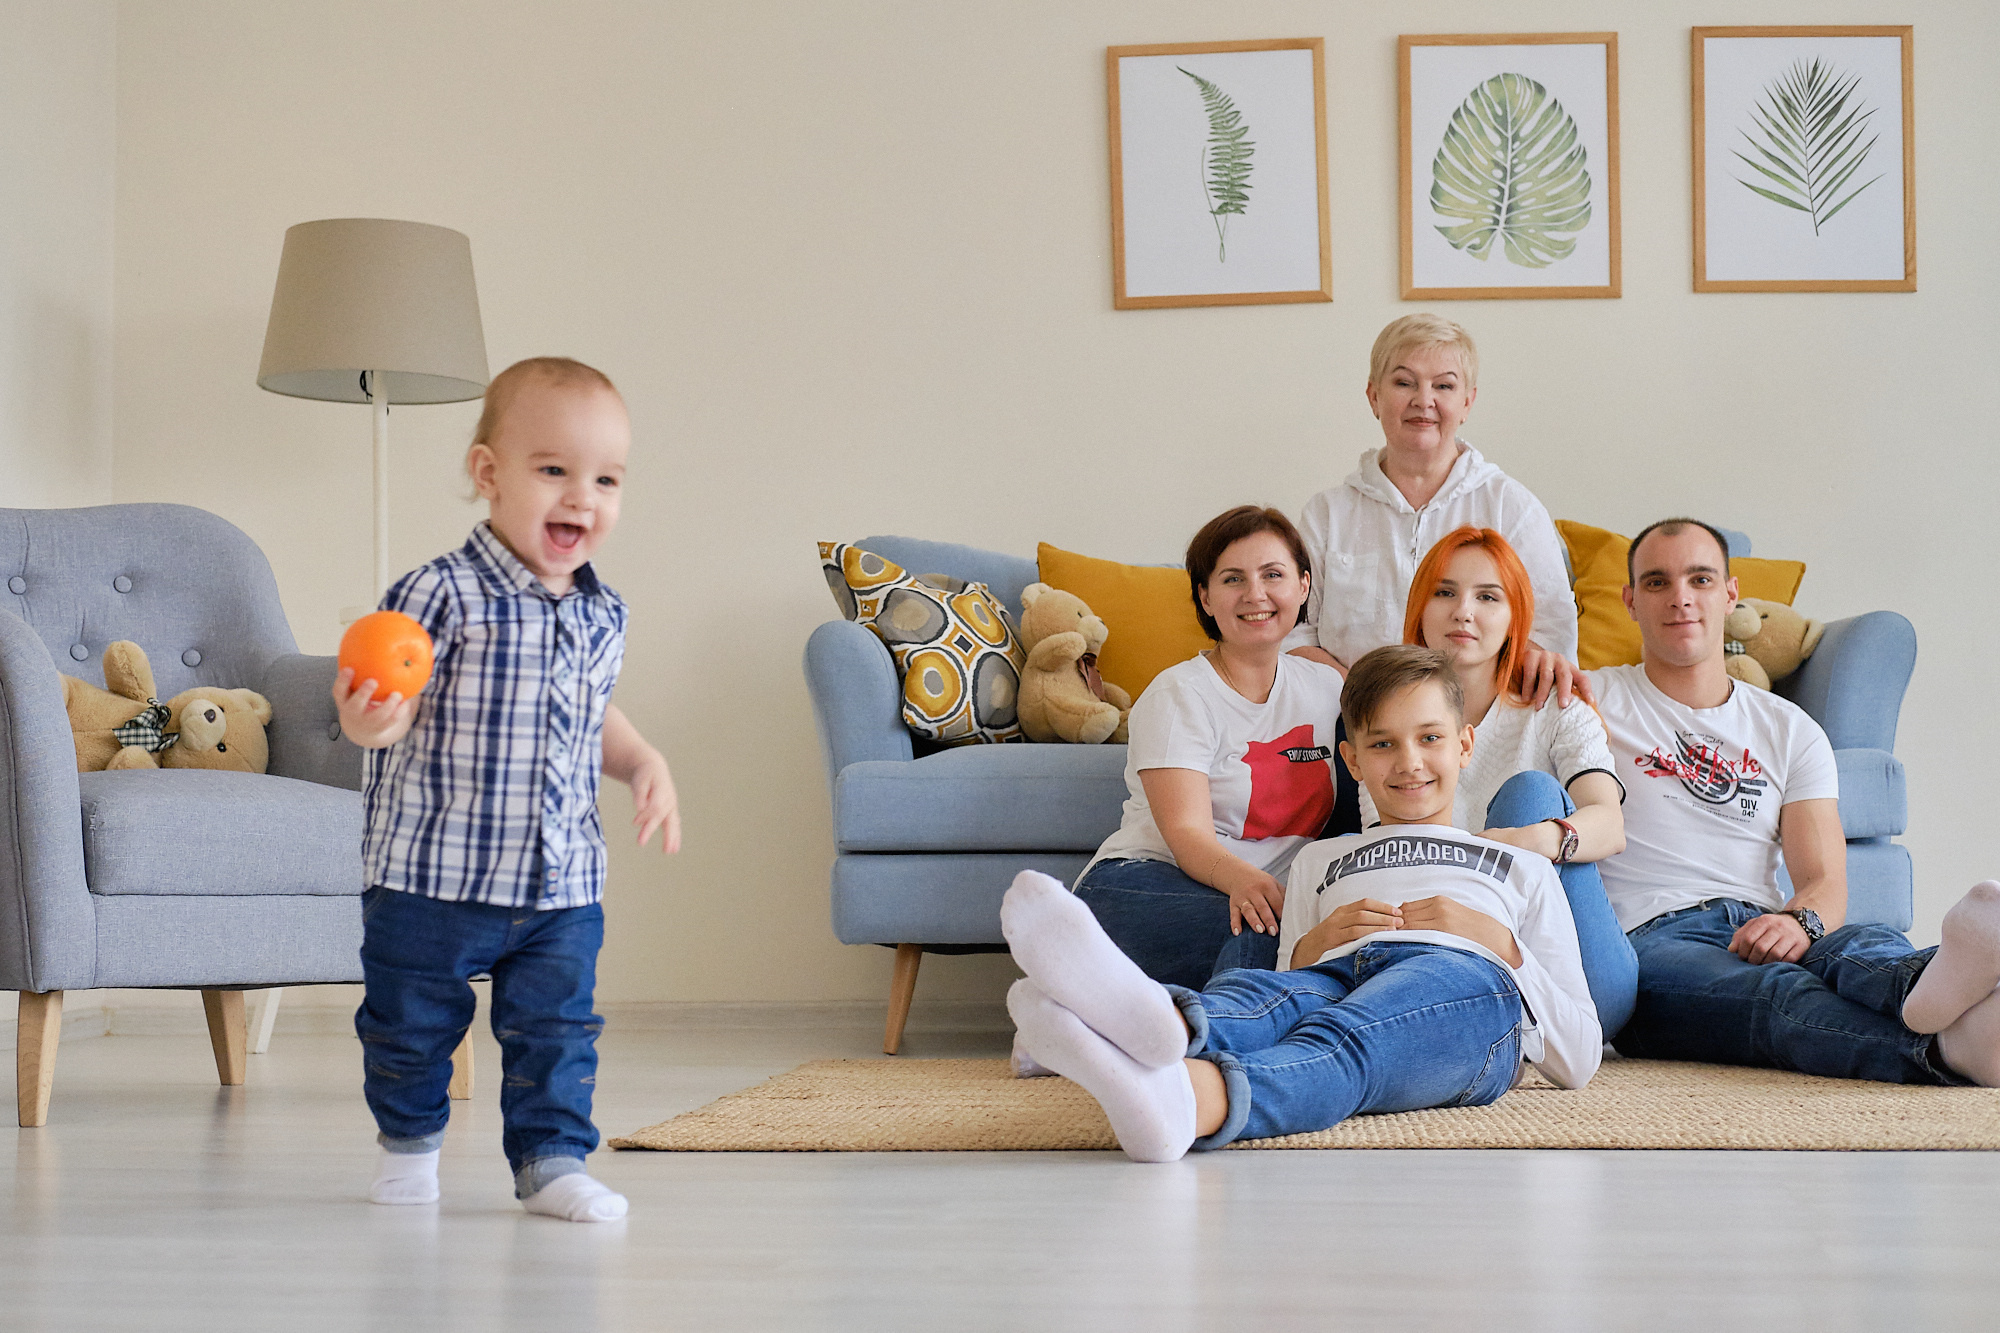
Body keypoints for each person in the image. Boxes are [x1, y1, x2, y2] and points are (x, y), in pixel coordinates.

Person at [1002, 645, 1598, 1161]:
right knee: (1260, 1002)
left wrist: (1500, 946)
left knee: (1346, 1039)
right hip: (1339, 973)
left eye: (1431, 739)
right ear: (1354, 762)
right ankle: (1135, 1025)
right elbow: (1289, 986)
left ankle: (1193, 1096)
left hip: (1466, 983)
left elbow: (1580, 1055)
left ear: (1464, 746)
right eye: (1384, 744)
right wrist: (1315, 945)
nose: (1410, 761)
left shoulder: (1522, 865)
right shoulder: (1318, 861)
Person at [334, 357, 682, 1220]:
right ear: (489, 474)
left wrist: (644, 763)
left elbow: (594, 712)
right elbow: (390, 714)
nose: (581, 498)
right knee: (409, 1030)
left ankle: (551, 1161)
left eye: (605, 478)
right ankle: (409, 1155)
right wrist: (369, 718)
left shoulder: (605, 612)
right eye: (554, 470)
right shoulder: (438, 593)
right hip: (432, 876)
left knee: (558, 1031)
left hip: (561, 880)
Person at [1596, 518, 2000, 1087]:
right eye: (1657, 582)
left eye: (1701, 579)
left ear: (1731, 595)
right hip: (1653, 942)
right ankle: (1952, 1047)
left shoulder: (1789, 729)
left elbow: (1826, 881)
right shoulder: (1590, 700)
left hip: (1761, 920)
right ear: (1631, 602)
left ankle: (1935, 984)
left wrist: (1799, 921)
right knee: (1782, 996)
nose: (1681, 598)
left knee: (1860, 945)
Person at [1068, 506, 1345, 992]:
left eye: (1273, 575)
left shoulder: (1327, 689)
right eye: (1233, 578)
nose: (1255, 594)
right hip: (1144, 884)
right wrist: (1246, 883)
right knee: (1266, 933)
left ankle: (1130, 1022)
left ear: (1303, 587)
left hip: (1260, 898)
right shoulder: (1179, 695)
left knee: (1322, 936)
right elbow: (1187, 834)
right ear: (1206, 597)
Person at [1388, 526, 1637, 1036]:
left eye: (1487, 597)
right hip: (1455, 952)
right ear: (1420, 607)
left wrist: (1520, 842)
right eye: (1445, 592)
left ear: (1513, 617)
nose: (1463, 612)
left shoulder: (1555, 706)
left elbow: (1610, 826)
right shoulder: (1390, 717)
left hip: (1583, 979)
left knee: (1531, 792)